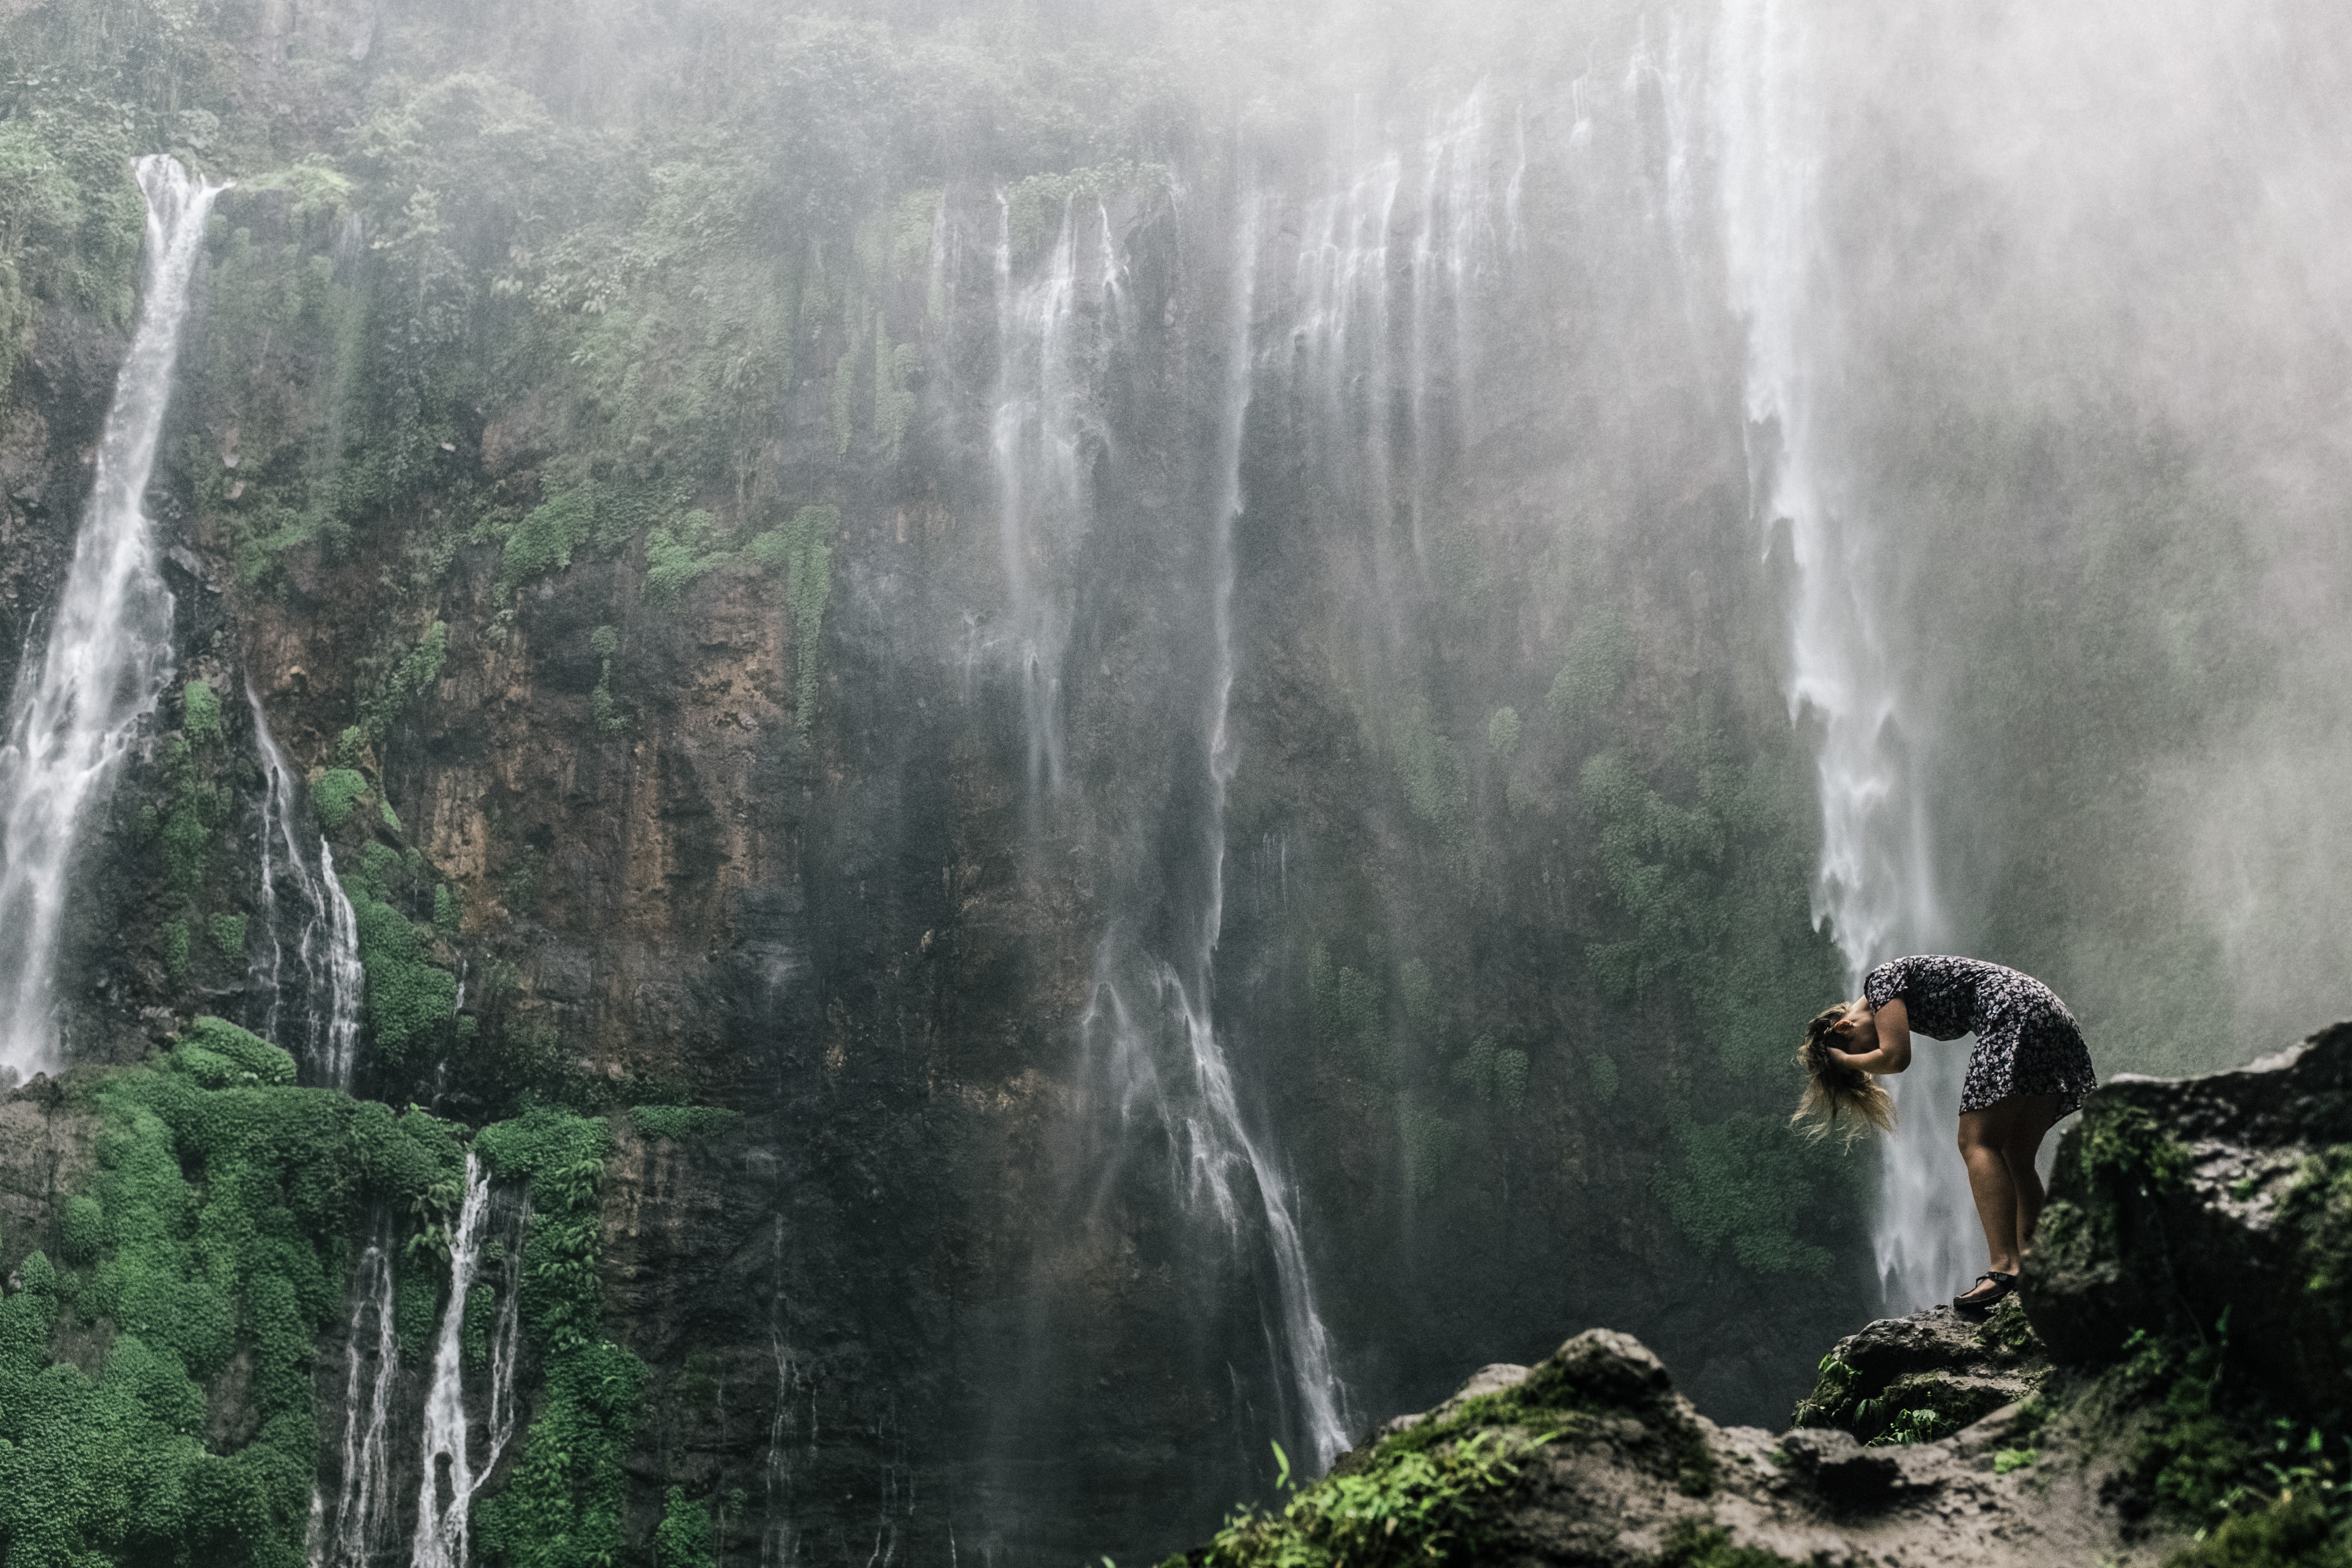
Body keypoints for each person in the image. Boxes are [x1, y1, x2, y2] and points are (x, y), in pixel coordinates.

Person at [1793, 956, 2097, 1313]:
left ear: (1844, 1027)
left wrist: (1845, 1062)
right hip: (2046, 1011)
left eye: (1862, 1051)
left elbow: (1894, 1057)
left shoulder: (1879, 982)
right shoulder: (1893, 987)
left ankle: (2004, 1268)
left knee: (1975, 1142)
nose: (1868, 1062)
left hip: (2012, 1014)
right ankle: (2039, 1260)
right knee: (2016, 1154)